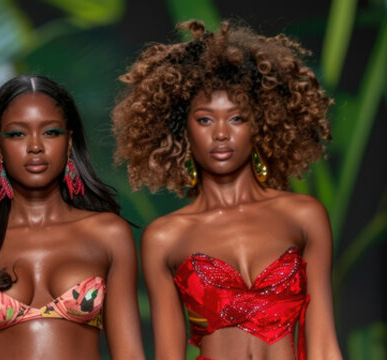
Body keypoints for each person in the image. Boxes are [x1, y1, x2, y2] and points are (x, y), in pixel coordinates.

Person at [112, 20, 341, 360]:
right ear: (182, 130)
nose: (221, 133)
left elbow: (323, 345)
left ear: (261, 123)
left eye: (236, 118)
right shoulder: (165, 237)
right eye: (205, 119)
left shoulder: (303, 216)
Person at [0, 75, 144, 359]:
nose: (35, 146)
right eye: (17, 134)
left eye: (50, 132)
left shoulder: (108, 234)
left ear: (69, 141)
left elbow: (130, 355)